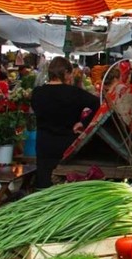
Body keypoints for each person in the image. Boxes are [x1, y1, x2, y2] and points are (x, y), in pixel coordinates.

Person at [31, 57, 100, 189]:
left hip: (44, 144)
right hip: (67, 145)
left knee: (44, 184)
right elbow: (97, 103)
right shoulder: (74, 93)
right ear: (67, 73)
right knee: (66, 185)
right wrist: (83, 123)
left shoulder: (37, 93)